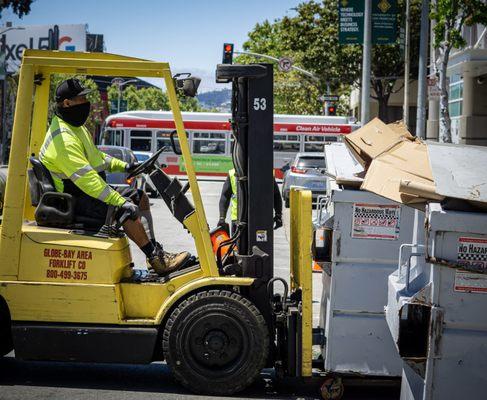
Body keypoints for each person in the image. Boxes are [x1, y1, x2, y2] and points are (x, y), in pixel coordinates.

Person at [39, 78, 189, 275]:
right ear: (67, 103)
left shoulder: (76, 129)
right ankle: (156, 259)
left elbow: (98, 157)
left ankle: (155, 255)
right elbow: (89, 181)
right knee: (125, 210)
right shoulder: (64, 140)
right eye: (82, 98)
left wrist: (126, 165)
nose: (86, 103)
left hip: (84, 194)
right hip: (75, 199)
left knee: (139, 197)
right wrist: (119, 202)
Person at [218, 168, 283, 235]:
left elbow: (275, 195)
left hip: (258, 219)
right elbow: (225, 196)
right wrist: (222, 217)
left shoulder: (266, 172)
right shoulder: (233, 174)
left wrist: (278, 215)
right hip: (243, 220)